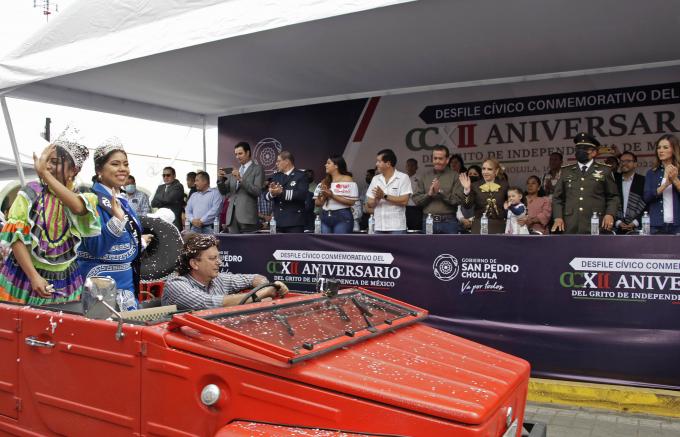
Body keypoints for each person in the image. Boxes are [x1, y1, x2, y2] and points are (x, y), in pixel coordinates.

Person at [0, 129, 101, 305]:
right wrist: (34, 277)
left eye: (54, 162)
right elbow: (17, 239)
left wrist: (45, 174)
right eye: (46, 161)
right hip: (25, 276)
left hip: (66, 279)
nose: (47, 166)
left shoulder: (85, 197)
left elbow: (78, 208)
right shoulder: (30, 193)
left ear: (74, 170)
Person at [78, 138, 149, 302]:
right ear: (99, 170)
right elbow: (96, 248)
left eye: (125, 164)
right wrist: (117, 220)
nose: (123, 169)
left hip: (126, 284)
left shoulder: (122, 201)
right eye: (115, 164)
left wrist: (140, 243)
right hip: (101, 285)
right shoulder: (91, 201)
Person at [162, 233, 288, 310]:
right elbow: (210, 303)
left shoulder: (219, 279)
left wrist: (269, 287)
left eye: (218, 257)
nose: (219, 262)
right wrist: (263, 294)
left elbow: (256, 278)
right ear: (194, 263)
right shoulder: (176, 285)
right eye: (212, 258)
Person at [551, 133, 619, 234]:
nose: (580, 151)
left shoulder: (605, 170)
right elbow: (557, 198)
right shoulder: (566, 171)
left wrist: (610, 214)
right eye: (578, 148)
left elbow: (613, 197)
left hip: (596, 223)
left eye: (584, 149)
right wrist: (558, 217)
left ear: (594, 152)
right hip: (570, 224)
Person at [412, 145, 464, 234]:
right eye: (435, 158)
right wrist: (429, 195)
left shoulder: (455, 176)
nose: (437, 161)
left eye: (440, 159)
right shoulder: (425, 176)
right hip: (428, 220)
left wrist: (440, 192)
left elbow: (458, 200)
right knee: (428, 248)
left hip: (449, 222)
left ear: (447, 160)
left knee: (451, 248)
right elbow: (416, 199)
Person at [217, 142, 265, 234]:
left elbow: (257, 191)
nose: (237, 156)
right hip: (231, 217)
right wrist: (220, 179)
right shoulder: (235, 171)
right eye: (236, 154)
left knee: (248, 246)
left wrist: (240, 179)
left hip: (247, 217)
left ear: (247, 153)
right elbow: (224, 192)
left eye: (240, 153)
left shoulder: (257, 169)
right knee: (233, 246)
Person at [366, 149, 411, 234]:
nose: (376, 164)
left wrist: (384, 196)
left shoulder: (403, 178)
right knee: (377, 248)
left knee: (397, 248)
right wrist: (376, 199)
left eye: (379, 161)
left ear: (388, 163)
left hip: (397, 227)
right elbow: (369, 204)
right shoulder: (375, 179)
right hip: (378, 226)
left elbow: (404, 201)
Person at [643, 134, 680, 234]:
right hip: (657, 225)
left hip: (678, 225)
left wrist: (675, 180)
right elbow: (646, 197)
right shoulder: (652, 173)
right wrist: (665, 185)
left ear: (674, 150)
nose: (660, 150)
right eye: (658, 148)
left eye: (665, 147)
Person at [459, 159, 508, 234]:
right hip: (479, 226)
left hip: (498, 226)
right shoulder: (475, 185)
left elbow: (513, 202)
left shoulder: (504, 185)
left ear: (496, 171)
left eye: (489, 169)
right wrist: (466, 190)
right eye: (483, 169)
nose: (485, 172)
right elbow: (467, 206)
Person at [313, 155, 358, 234]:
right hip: (325, 215)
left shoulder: (347, 179)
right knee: (326, 245)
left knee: (340, 244)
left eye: (328, 163)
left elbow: (351, 202)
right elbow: (317, 203)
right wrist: (322, 196)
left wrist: (332, 195)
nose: (325, 165)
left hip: (342, 216)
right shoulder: (324, 181)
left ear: (336, 165)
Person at [267, 151, 309, 233]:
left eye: (278, 161)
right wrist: (272, 193)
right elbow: (266, 196)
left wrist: (281, 192)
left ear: (286, 162)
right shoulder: (276, 176)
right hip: (278, 221)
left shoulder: (301, 175)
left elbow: (302, 195)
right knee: (278, 246)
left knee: (295, 246)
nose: (276, 164)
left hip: (294, 221)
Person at [614, 151, 646, 234]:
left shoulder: (643, 181)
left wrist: (635, 223)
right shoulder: (613, 181)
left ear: (635, 164)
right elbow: (609, 202)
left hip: (637, 228)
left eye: (628, 161)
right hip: (616, 228)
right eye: (622, 161)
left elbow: (647, 204)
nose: (624, 163)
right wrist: (618, 222)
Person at [404, 158, 423, 231]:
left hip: (416, 209)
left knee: (416, 231)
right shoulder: (402, 178)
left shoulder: (420, 179)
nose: (410, 167)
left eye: (412, 165)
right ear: (406, 167)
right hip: (404, 208)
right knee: (404, 231)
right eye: (408, 165)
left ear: (416, 167)